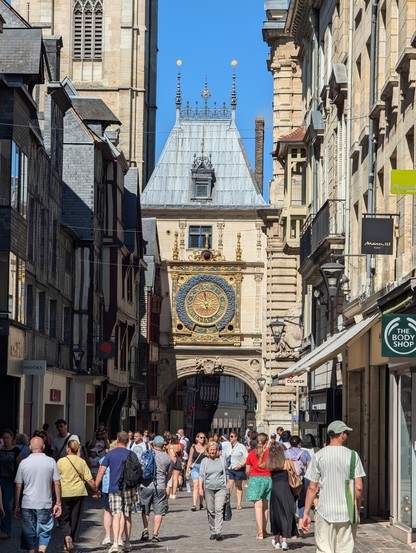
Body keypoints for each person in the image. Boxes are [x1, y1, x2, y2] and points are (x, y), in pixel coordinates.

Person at [302, 420, 366, 553]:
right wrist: (357, 509)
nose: (347, 436)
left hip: (325, 510)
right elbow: (359, 487)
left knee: (324, 549)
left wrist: (306, 512)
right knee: (345, 549)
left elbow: (312, 488)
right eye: (346, 433)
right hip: (347, 511)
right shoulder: (353, 456)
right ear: (341, 434)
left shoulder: (319, 456)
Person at [14, 436, 62, 553]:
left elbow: (18, 485)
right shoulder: (51, 461)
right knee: (45, 530)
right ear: (44, 447)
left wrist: (16, 505)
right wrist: (58, 503)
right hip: (45, 503)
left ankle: (31, 551)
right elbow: (57, 482)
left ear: (30, 447)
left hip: (27, 503)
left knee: (28, 532)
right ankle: (41, 550)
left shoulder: (24, 463)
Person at [95, 431, 135, 553]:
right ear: (127, 441)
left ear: (117, 439)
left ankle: (116, 543)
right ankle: (127, 542)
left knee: (116, 514)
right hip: (128, 487)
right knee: (127, 515)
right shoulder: (131, 454)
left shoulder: (110, 454)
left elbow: (101, 471)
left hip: (114, 487)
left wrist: (95, 487)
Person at [57, 440, 99, 551]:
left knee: (63, 518)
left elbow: (56, 479)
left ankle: (67, 536)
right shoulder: (81, 462)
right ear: (77, 449)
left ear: (68, 449)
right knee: (75, 517)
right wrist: (95, 490)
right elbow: (89, 480)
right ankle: (69, 540)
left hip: (64, 492)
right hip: (79, 492)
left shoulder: (61, 461)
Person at [139, 435, 173, 543]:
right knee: (158, 511)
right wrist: (165, 482)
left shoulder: (146, 454)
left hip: (145, 485)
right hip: (160, 486)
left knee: (145, 509)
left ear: (153, 444)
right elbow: (169, 474)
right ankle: (155, 534)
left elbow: (141, 468)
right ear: (163, 445)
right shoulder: (167, 458)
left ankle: (145, 530)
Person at [265, 442, 298, 550]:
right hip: (286, 489)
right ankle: (284, 540)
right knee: (286, 513)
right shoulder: (287, 462)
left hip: (275, 490)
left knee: (276, 515)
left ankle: (277, 540)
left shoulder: (270, 464)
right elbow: (294, 473)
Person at [199, 441, 228, 541]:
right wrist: (200, 488)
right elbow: (201, 476)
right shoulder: (204, 461)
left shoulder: (222, 460)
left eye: (214, 449)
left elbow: (226, 473)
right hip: (208, 488)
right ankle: (213, 530)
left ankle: (218, 532)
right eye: (211, 450)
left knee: (219, 509)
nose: (212, 451)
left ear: (217, 450)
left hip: (221, 488)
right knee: (210, 510)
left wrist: (228, 486)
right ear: (207, 450)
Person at [245, 432, 272, 539]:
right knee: (265, 506)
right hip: (268, 478)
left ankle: (260, 532)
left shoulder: (251, 453)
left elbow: (247, 470)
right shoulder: (269, 453)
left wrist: (250, 476)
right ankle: (264, 530)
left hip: (255, 478)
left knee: (258, 506)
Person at [285, 435, 311, 534]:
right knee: (302, 502)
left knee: (291, 501)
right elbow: (309, 467)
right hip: (302, 479)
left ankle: (292, 526)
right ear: (299, 443)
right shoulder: (305, 453)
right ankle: (301, 524)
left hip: (289, 480)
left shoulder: (285, 453)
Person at [0, 428, 21, 539]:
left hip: (10, 482)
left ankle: (6, 530)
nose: (6, 440)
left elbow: (19, 467)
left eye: (8, 438)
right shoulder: (0, 449)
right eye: (4, 438)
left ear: (12, 438)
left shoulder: (16, 450)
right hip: (0, 480)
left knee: (6, 505)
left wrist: (18, 481)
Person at [98, 440, 117, 546]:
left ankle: (108, 536)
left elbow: (100, 473)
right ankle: (118, 538)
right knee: (118, 513)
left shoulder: (104, 459)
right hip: (117, 488)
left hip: (106, 488)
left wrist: (96, 487)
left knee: (107, 511)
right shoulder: (120, 458)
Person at [185, 433, 207, 511]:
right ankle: (194, 504)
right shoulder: (193, 447)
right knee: (195, 485)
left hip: (203, 468)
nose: (202, 439)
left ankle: (201, 503)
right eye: (201, 437)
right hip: (195, 468)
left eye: (204, 437)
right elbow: (190, 459)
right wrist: (187, 470)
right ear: (197, 438)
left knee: (201, 486)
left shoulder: (206, 447)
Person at [227, 432, 248, 510]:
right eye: (230, 436)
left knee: (238, 486)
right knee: (230, 485)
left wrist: (241, 465)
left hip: (239, 468)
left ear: (236, 437)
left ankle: (239, 504)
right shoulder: (228, 446)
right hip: (230, 468)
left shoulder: (241, 446)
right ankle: (227, 502)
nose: (230, 438)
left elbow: (247, 458)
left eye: (232, 436)